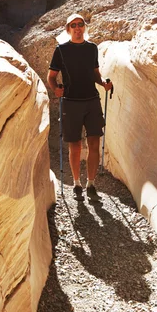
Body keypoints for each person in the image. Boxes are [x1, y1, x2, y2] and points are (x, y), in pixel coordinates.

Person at [47, 13, 113, 200]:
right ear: (68, 29)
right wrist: (55, 90)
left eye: (80, 24)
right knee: (75, 145)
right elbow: (51, 77)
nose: (77, 28)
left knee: (94, 142)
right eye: (73, 25)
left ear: (84, 27)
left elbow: (95, 73)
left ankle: (91, 184)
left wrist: (103, 83)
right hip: (70, 102)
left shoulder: (92, 48)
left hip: (91, 101)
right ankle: (77, 183)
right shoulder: (61, 50)